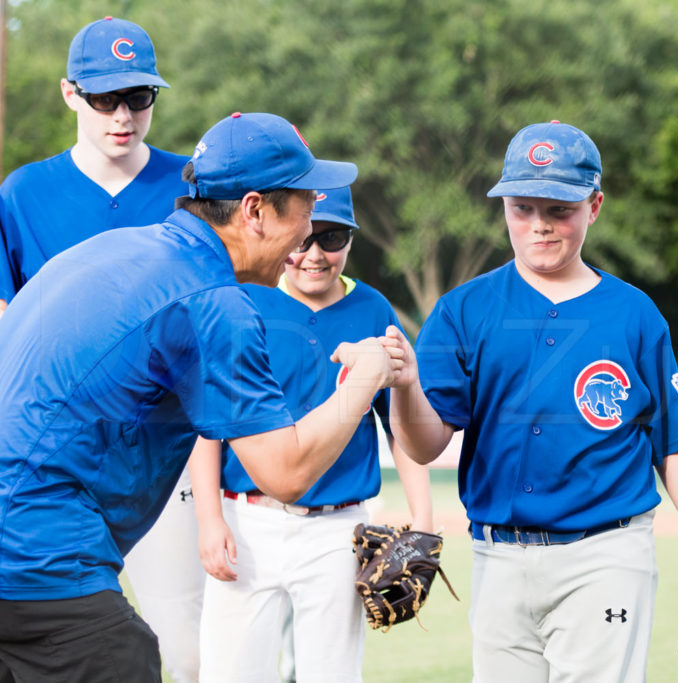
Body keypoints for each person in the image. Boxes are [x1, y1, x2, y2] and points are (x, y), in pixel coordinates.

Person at [0, 111, 397, 682]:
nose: (310, 230)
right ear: (255, 210)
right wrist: (367, 377)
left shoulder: (120, 248)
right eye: (307, 206)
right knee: (125, 657)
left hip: (28, 546)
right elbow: (283, 472)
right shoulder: (211, 299)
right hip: (39, 554)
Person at [386, 120, 678, 682]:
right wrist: (405, 388)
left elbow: (674, 447)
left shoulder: (633, 314)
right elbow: (427, 444)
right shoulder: (464, 310)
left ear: (594, 205)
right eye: (522, 208)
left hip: (605, 556)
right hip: (497, 557)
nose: (539, 225)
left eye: (559, 208)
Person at [0, 17, 203, 681]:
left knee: (183, 649)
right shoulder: (26, 192)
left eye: (139, 97)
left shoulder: (191, 188)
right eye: (104, 98)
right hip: (49, 465)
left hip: (157, 457)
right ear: (69, 94)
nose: (122, 115)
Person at [191, 186, 434, 682]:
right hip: (247, 518)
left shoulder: (373, 310)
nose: (315, 255)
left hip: (337, 528)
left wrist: (424, 518)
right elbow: (208, 428)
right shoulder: (244, 300)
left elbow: (399, 426)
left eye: (333, 238)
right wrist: (210, 519)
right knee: (230, 671)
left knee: (332, 674)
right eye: (305, 239)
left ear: (350, 240)